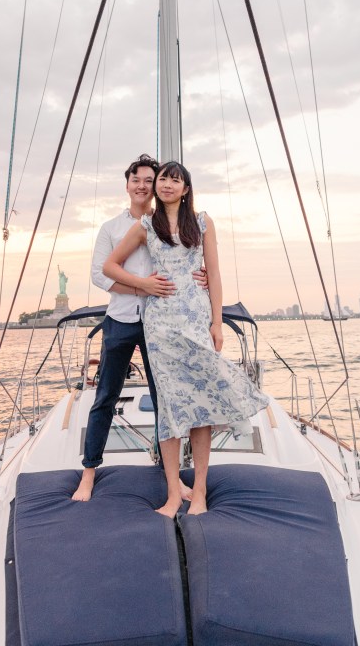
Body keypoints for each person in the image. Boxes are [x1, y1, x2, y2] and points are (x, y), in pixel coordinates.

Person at [103, 161, 269, 517]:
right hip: (160, 324)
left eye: (174, 180)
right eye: (162, 179)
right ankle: (174, 496)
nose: (166, 185)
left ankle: (201, 494)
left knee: (202, 405)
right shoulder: (146, 225)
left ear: (186, 188)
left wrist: (217, 323)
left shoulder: (204, 223)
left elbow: (216, 274)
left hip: (195, 320)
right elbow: (109, 266)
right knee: (170, 409)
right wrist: (144, 285)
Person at [72, 155, 206, 502]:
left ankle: (171, 479)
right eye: (138, 180)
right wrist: (140, 287)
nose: (144, 186)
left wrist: (202, 278)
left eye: (150, 179)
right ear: (128, 184)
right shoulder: (112, 228)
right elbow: (101, 273)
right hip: (120, 318)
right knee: (105, 396)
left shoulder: (172, 223)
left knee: (168, 402)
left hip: (162, 323)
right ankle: (89, 473)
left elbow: (189, 261)